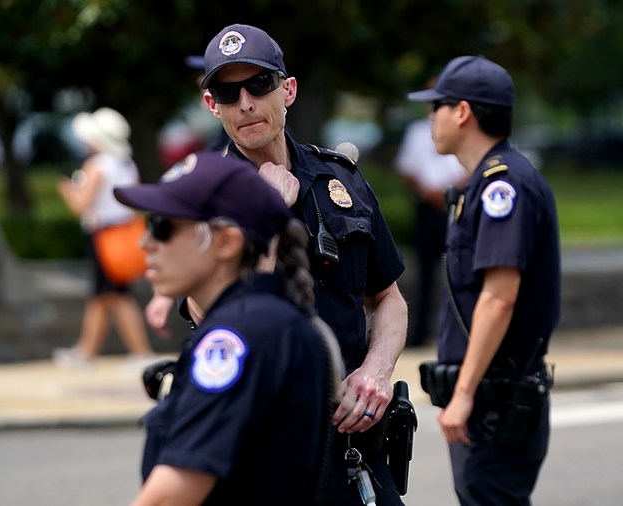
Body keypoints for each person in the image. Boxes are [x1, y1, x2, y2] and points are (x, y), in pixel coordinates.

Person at [146, 23, 410, 505]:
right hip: (267, 457)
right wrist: (261, 213)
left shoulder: (341, 180)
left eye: (259, 84)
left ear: (287, 90)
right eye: (228, 92)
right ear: (211, 106)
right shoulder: (200, 198)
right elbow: (218, 320)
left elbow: (387, 298)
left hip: (354, 449)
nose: (245, 103)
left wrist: (375, 371)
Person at [116, 152, 343, 505]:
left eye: (163, 226)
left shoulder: (239, 334)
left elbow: (168, 497)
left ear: (225, 242)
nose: (145, 243)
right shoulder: (262, 321)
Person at [408, 56, 559, 505]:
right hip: (492, 400)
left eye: (435, 107)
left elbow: (498, 297)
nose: (429, 119)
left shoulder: (502, 186)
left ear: (462, 112)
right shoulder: (483, 182)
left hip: (496, 401)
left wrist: (467, 392)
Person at [54, 107, 156, 369]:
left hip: (104, 237)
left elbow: (81, 205)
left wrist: (67, 189)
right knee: (103, 296)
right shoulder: (126, 163)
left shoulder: (97, 165)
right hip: (125, 233)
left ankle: (139, 353)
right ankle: (86, 352)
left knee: (114, 295)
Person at [394, 110, 466, 348]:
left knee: (458, 271)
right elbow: (407, 168)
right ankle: (421, 332)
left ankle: (458, 332)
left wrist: (450, 192)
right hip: (426, 205)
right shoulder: (417, 131)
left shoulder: (461, 127)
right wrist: (429, 193)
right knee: (425, 275)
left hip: (456, 203)